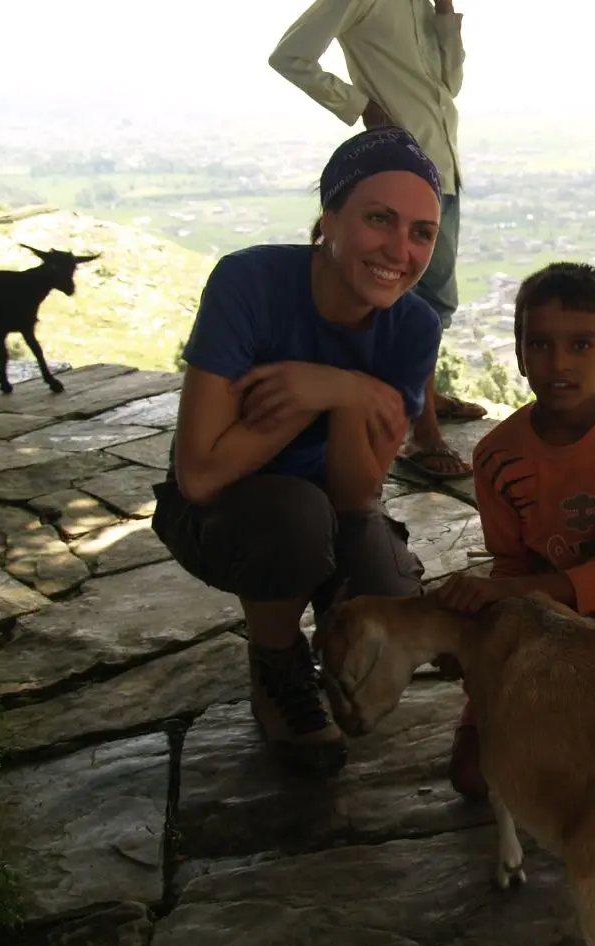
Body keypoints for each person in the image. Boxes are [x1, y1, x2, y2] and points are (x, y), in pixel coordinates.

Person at [151, 126, 447, 780]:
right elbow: (198, 474)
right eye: (379, 219)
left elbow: (356, 495)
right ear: (329, 219)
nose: (400, 249)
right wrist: (328, 393)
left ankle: (312, 623)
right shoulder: (249, 283)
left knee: (388, 593)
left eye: (421, 232)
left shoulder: (414, 326)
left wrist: (339, 393)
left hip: (325, 510)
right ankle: (276, 661)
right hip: (226, 512)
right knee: (293, 518)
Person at [435, 261, 595, 798]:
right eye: (539, 345)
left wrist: (504, 594)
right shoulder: (496, 456)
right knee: (472, 776)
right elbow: (511, 563)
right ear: (519, 356)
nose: (559, 362)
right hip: (538, 630)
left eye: (581, 345)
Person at [269, 0, 486, 484]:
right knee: (410, 299)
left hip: (442, 171)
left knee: (435, 300)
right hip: (400, 173)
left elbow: (448, 85)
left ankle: (423, 394)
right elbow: (290, 56)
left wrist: (445, 13)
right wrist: (360, 106)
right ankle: (420, 432)